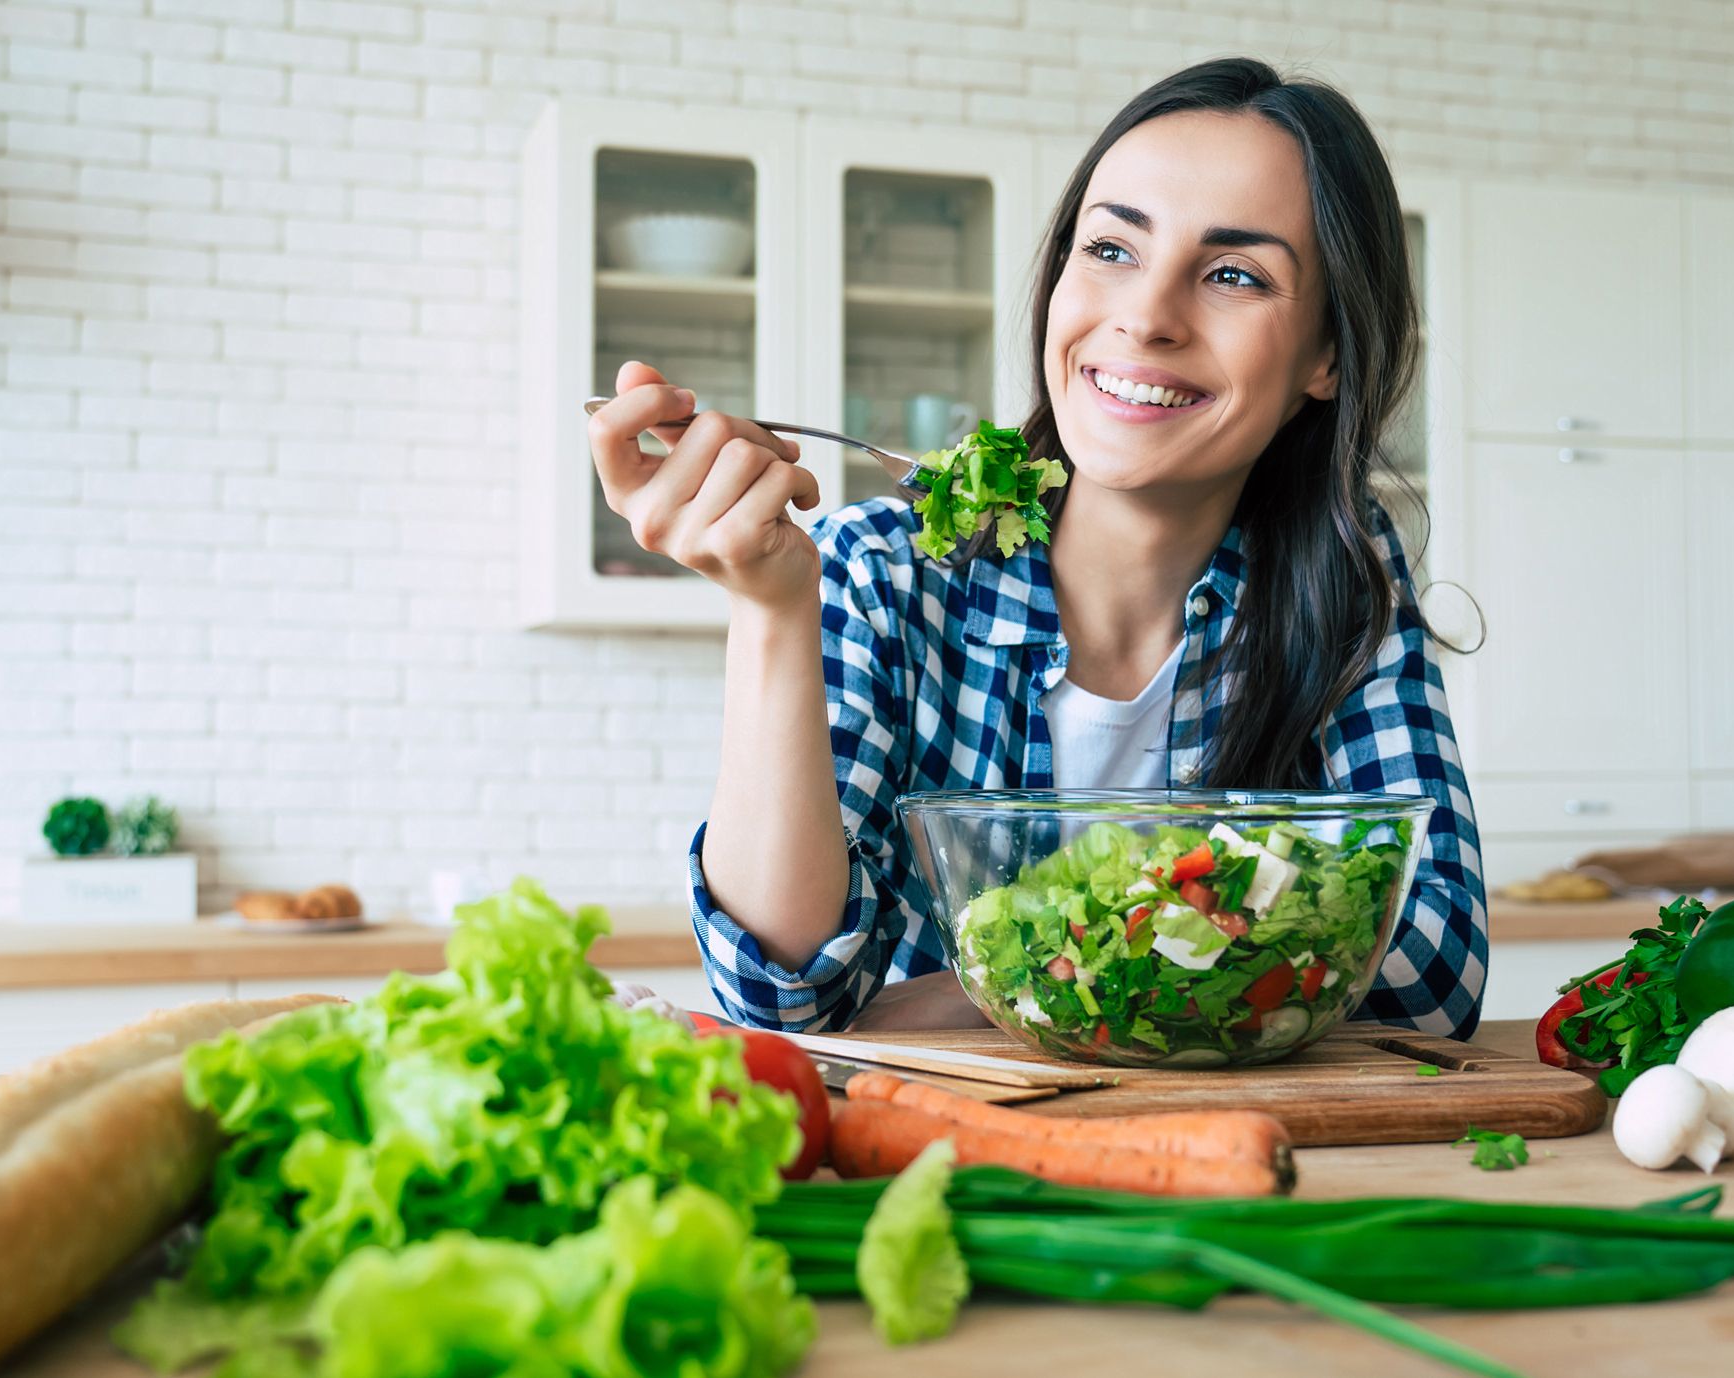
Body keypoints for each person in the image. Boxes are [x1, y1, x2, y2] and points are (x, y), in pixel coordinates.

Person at [586, 57, 1487, 1039]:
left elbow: (1430, 972)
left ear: (1325, 355)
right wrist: (768, 608)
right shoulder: (883, 571)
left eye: (1232, 273)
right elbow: (786, 995)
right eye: (1110, 249)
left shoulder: (1343, 581)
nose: (1145, 316)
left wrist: (990, 984)